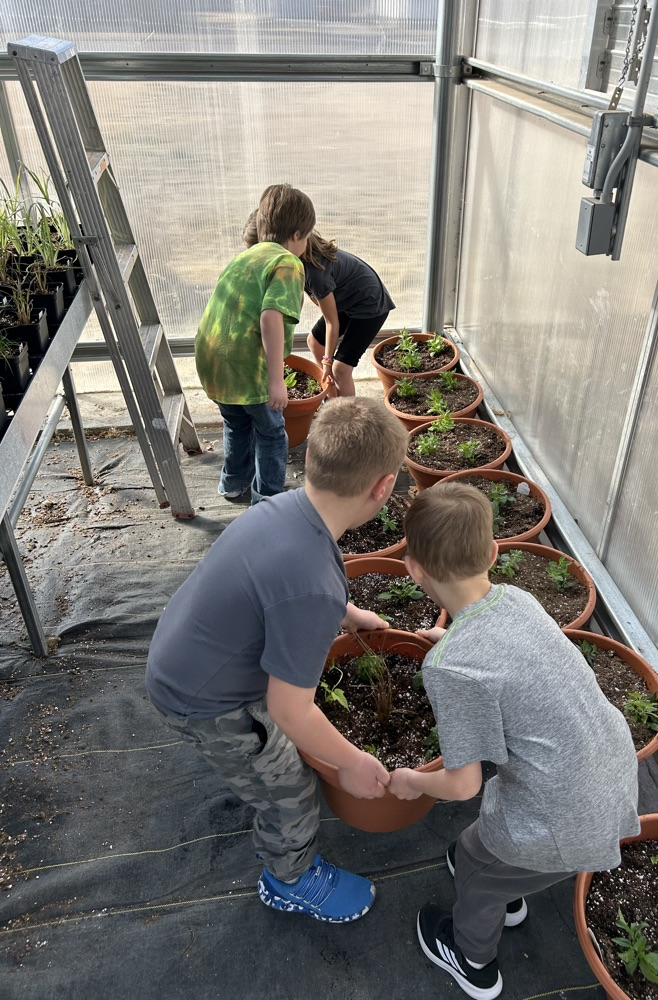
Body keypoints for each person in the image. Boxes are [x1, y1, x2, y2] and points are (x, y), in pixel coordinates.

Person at [145, 397, 409, 924]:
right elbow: (290, 710)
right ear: (383, 488)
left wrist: (348, 612)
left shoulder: (287, 508)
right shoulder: (312, 585)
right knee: (290, 788)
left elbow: (290, 584)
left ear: (311, 457)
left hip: (181, 656)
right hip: (205, 702)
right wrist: (351, 762)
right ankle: (290, 878)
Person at [390, 482, 640, 1000]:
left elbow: (463, 785)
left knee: (474, 871)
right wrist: (452, 639)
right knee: (478, 852)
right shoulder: (518, 600)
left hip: (561, 817)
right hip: (610, 773)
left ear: (413, 569)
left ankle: (472, 961)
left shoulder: (450, 668)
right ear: (492, 553)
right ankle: (510, 889)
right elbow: (505, 656)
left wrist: (412, 781)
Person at [196, 184, 315, 502]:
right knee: (271, 432)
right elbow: (270, 317)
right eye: (306, 238)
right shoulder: (288, 263)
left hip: (213, 361)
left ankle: (233, 483)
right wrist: (276, 380)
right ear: (297, 234)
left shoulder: (245, 257)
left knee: (236, 424)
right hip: (248, 367)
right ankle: (268, 500)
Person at [241, 216, 394, 398]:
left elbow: (332, 322)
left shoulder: (315, 273)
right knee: (314, 342)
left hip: (370, 304)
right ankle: (332, 398)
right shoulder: (296, 260)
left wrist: (328, 363)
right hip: (348, 300)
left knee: (340, 369)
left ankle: (347, 412)